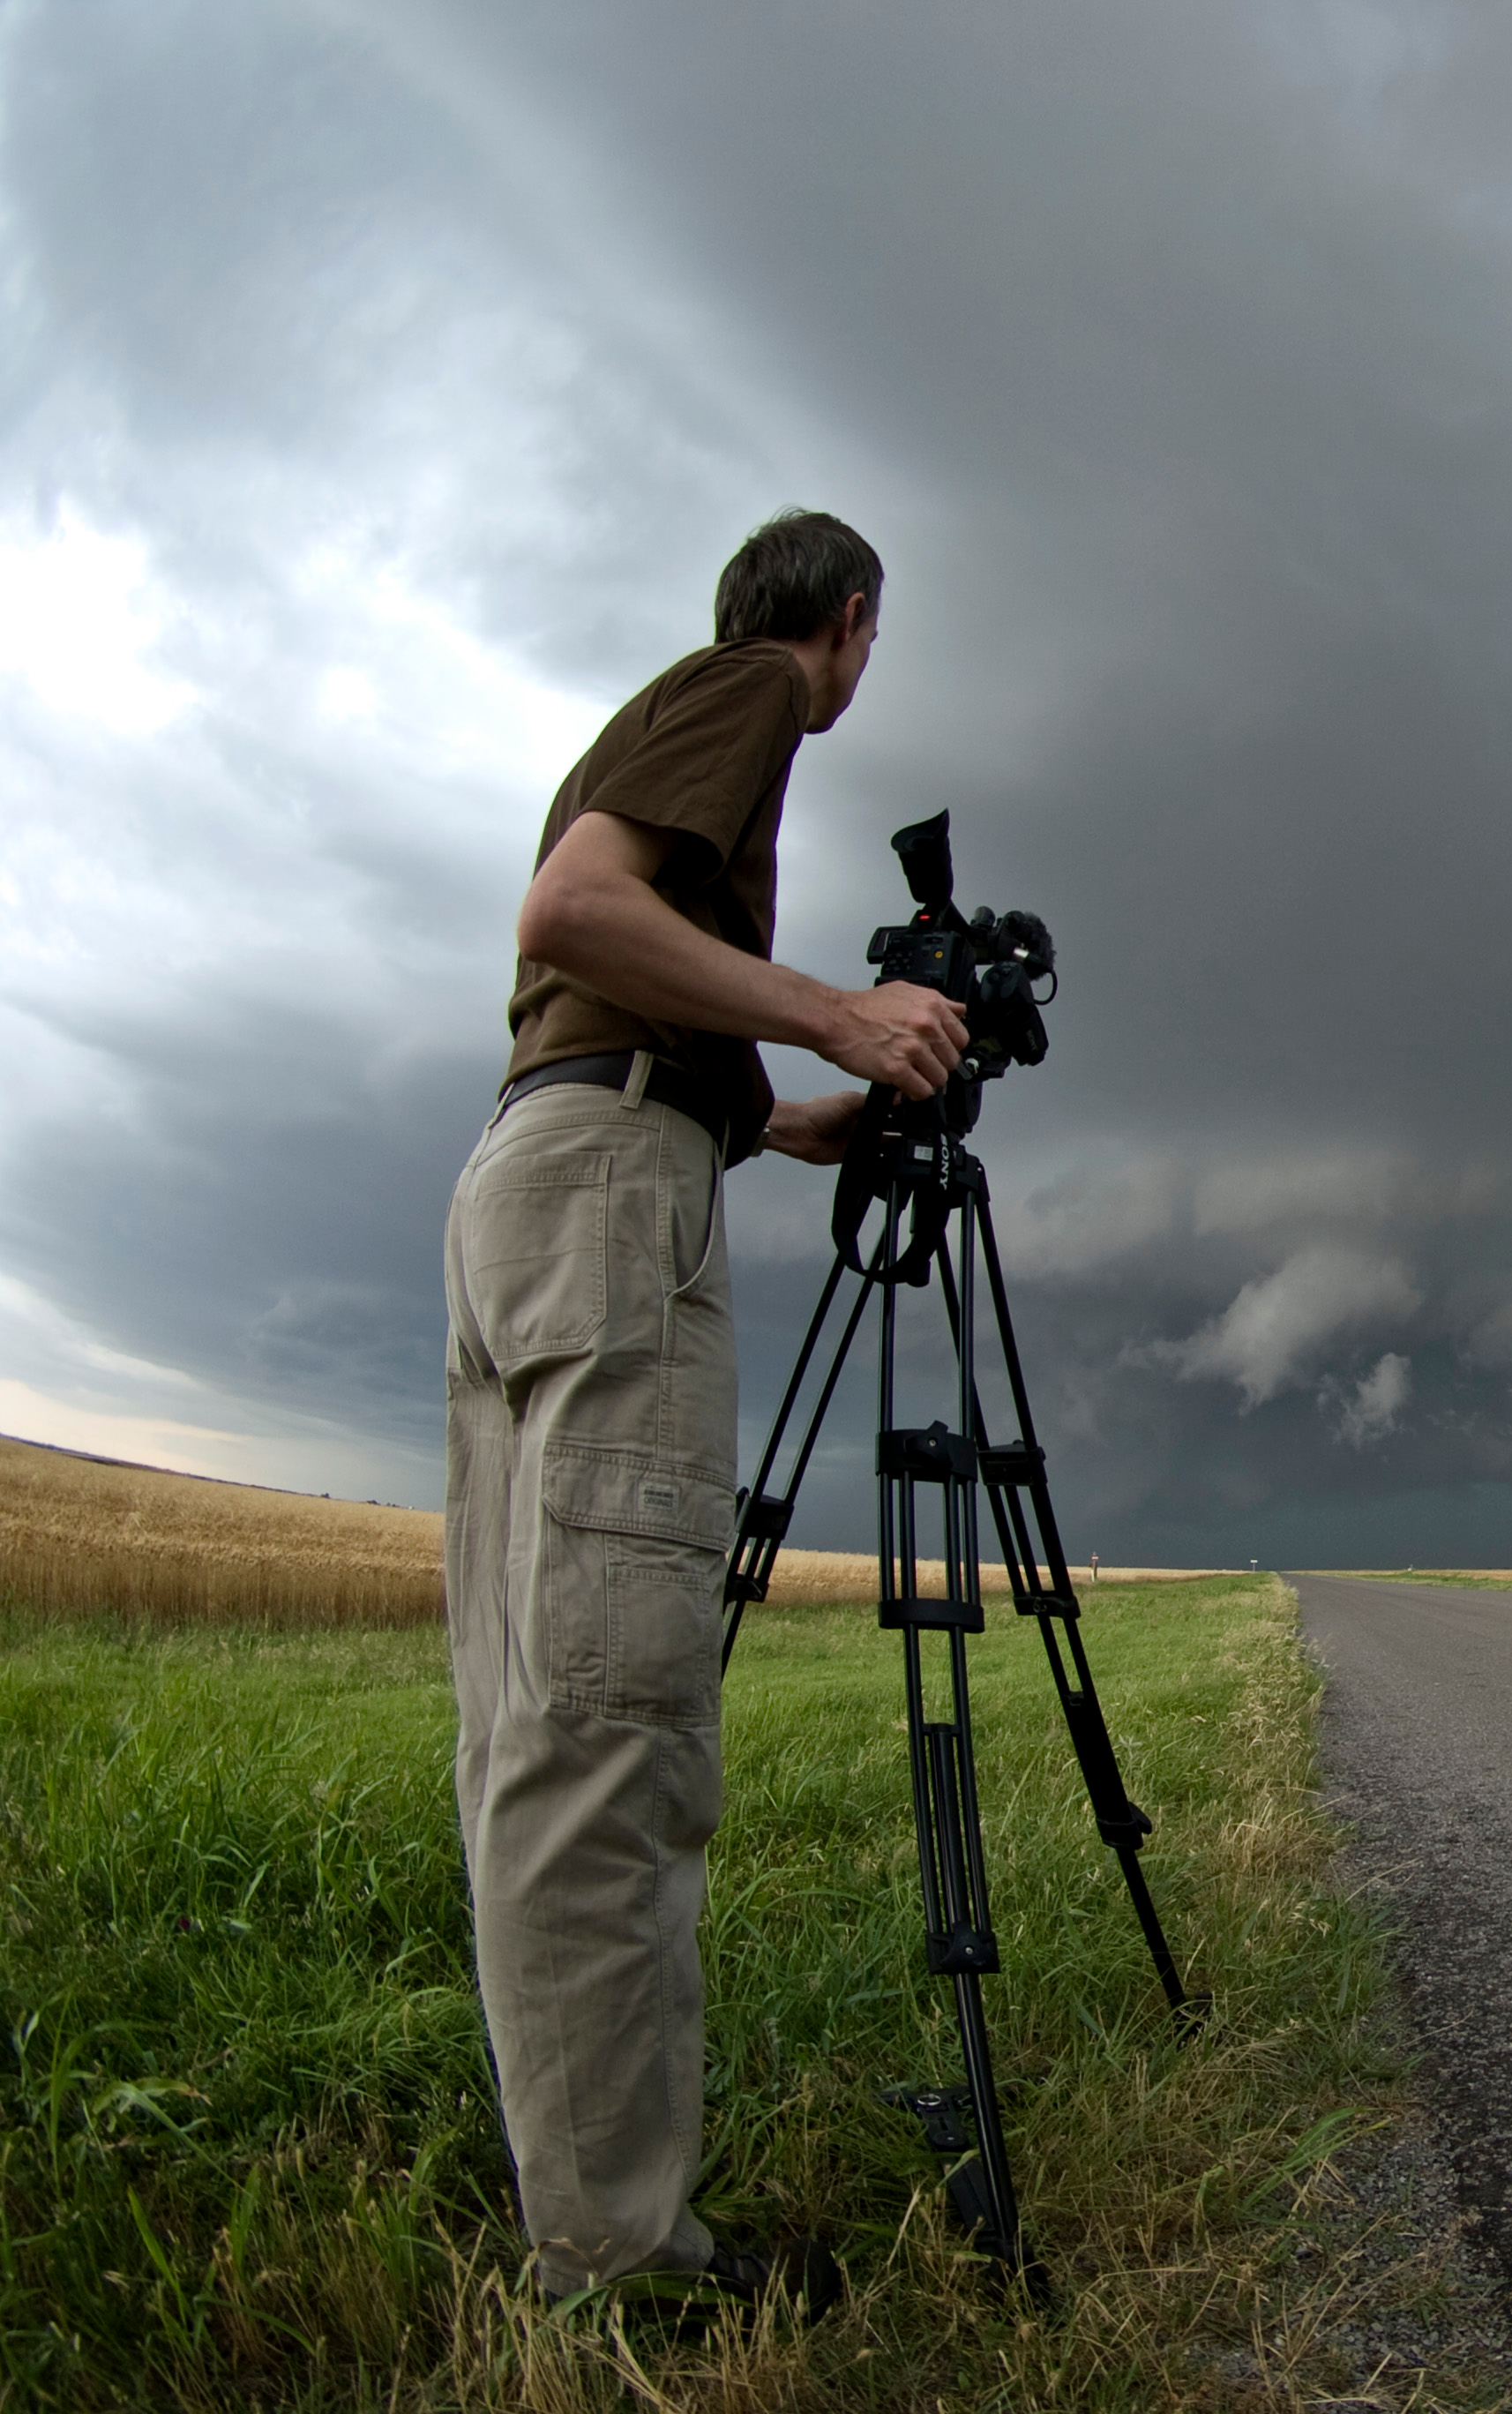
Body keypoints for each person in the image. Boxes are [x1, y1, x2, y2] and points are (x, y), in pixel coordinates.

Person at [438, 511, 967, 2314]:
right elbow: (577, 912)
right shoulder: (749, 687)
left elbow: (621, 979)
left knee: (536, 1719)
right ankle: (622, 2258)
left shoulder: (671, 714)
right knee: (610, 1721)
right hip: (605, 1192)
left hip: (558, 1158)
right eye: (869, 640)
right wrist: (837, 1015)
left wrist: (786, 1114)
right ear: (851, 620)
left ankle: (582, 2206)